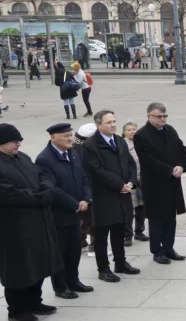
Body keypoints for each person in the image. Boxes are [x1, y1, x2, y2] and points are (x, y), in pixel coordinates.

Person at [0, 123, 61, 321]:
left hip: (37, 221)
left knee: (38, 264)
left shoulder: (21, 157)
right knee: (18, 268)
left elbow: (42, 176)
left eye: (19, 140)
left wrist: (47, 190)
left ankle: (35, 301)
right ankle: (17, 309)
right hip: (13, 227)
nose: (19, 144)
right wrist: (39, 197)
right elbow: (7, 194)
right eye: (14, 141)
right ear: (1, 142)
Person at [34, 122, 95, 299]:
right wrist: (74, 203)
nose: (70, 139)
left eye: (70, 135)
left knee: (74, 249)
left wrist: (86, 198)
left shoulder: (73, 153)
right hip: (59, 213)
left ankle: (73, 280)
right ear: (53, 137)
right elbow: (52, 189)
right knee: (59, 252)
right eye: (65, 136)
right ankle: (60, 287)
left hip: (76, 211)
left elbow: (83, 178)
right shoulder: (45, 159)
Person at [81, 110, 141, 282]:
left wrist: (131, 182)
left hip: (122, 195)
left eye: (114, 121)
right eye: (109, 122)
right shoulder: (90, 146)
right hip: (103, 197)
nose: (113, 125)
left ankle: (120, 262)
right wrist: (119, 184)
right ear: (99, 125)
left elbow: (130, 163)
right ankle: (103, 268)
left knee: (119, 230)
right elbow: (97, 170)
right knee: (101, 235)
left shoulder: (119, 140)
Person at [134, 102, 186, 265]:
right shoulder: (141, 135)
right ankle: (157, 251)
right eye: (159, 116)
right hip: (155, 183)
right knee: (157, 218)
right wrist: (169, 169)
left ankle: (169, 248)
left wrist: (181, 165)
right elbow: (148, 160)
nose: (163, 119)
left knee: (171, 217)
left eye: (165, 116)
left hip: (172, 182)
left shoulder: (170, 130)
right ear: (149, 116)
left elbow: (182, 149)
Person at [120, 121, 147, 246]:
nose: (132, 132)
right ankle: (127, 235)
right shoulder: (121, 145)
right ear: (124, 132)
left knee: (141, 208)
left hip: (142, 181)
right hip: (129, 182)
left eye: (134, 129)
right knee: (128, 210)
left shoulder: (141, 143)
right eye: (129, 130)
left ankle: (139, 231)